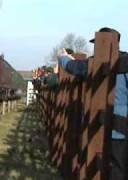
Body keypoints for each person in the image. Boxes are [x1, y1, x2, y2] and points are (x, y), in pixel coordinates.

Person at [58, 27, 128, 180]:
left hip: (98, 126)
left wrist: (63, 58)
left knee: (99, 166)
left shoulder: (94, 62)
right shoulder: (124, 61)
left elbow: (74, 67)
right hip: (121, 129)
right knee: (118, 168)